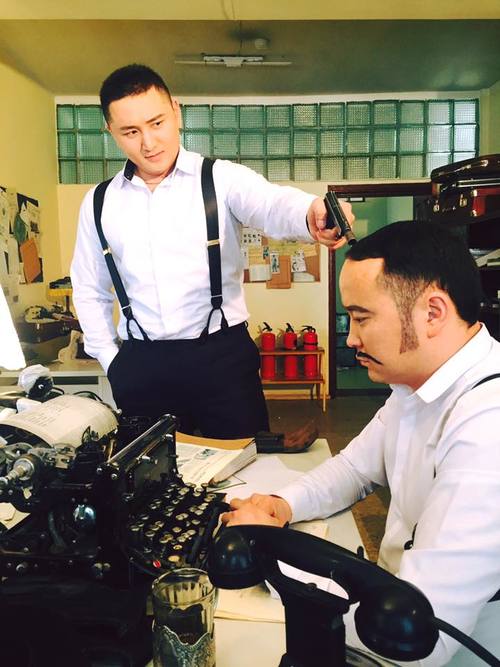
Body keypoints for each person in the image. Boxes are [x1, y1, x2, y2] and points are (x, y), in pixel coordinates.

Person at [222, 220, 500, 666]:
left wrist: (270, 551)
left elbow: (420, 641)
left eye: (362, 317)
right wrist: (283, 504)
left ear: (432, 313)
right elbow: (354, 468)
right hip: (389, 595)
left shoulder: (487, 428)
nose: (351, 337)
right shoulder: (417, 385)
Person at [70, 63, 353, 439]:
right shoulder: (99, 202)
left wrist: (311, 212)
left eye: (157, 123)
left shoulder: (221, 178)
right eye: (131, 132)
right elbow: (88, 287)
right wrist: (110, 359)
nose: (149, 143)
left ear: (176, 111)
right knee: (153, 470)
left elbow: (271, 204)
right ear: (111, 131)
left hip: (222, 360)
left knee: (243, 463)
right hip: (141, 364)